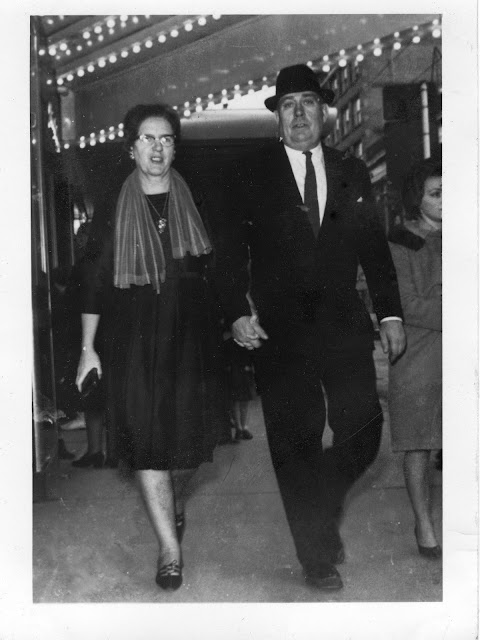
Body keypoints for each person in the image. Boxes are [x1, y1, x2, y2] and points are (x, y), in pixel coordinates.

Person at [214, 64, 406, 591]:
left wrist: (389, 312)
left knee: (364, 429)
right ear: (277, 117)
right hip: (280, 333)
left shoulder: (351, 170)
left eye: (307, 102)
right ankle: (315, 555)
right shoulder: (250, 173)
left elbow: (373, 248)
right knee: (294, 440)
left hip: (344, 326)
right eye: (288, 105)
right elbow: (227, 253)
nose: (298, 113)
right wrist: (235, 311)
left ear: (324, 112)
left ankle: (317, 505)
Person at [76, 103, 219, 590]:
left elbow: (217, 267)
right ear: (131, 148)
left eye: (167, 139)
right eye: (148, 138)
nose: (158, 148)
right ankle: (169, 548)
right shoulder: (111, 209)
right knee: (147, 443)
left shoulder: (196, 199)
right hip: (132, 341)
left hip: (190, 339)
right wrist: (88, 348)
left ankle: (174, 502)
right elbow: (94, 282)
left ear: (175, 148)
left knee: (188, 449)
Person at [388, 158, 442, 559]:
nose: (445, 200)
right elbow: (405, 304)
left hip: (462, 348)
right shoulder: (400, 241)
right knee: (418, 443)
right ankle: (424, 523)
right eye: (436, 194)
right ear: (416, 199)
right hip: (417, 352)